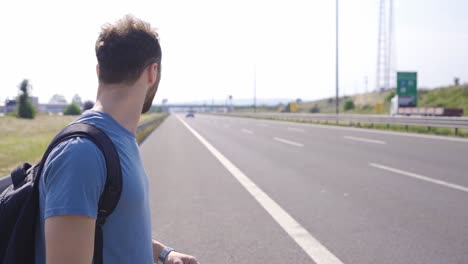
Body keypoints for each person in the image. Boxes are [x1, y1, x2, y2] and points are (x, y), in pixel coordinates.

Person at [34, 15, 199, 264]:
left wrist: (164, 254)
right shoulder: (81, 154)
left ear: (99, 71)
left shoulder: (116, 140)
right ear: (152, 72)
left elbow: (112, 232)